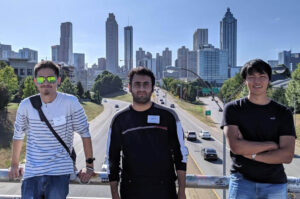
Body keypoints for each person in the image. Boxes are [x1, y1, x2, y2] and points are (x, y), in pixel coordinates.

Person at [8, 61, 95, 199]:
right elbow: (18, 135)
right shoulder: (26, 105)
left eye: (51, 78)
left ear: (58, 80)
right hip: (32, 173)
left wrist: (89, 166)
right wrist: (14, 165)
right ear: (36, 81)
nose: (46, 82)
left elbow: (85, 133)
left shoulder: (70, 103)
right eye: (41, 79)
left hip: (59, 172)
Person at [105, 67, 188, 199]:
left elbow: (180, 155)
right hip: (131, 190)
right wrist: (114, 194)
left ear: (153, 87)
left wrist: (182, 191)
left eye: (146, 84)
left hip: (164, 190)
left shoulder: (169, 116)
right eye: (137, 84)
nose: (141, 89)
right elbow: (112, 158)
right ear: (129, 87)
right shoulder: (119, 119)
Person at [221, 59, 296, 199]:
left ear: (268, 80)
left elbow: (287, 155)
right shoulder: (233, 109)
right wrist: (271, 145)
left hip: (275, 184)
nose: (257, 81)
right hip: (241, 181)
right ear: (245, 81)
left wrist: (252, 154)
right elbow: (236, 147)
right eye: (251, 77)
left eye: (262, 77)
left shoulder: (283, 113)